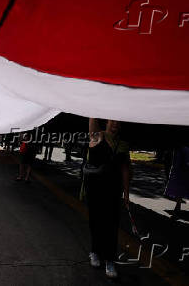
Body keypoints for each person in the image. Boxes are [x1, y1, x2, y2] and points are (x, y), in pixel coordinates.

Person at [84, 118, 130, 279]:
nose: (115, 124)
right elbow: (92, 128)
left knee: (111, 225)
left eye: (118, 122)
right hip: (95, 190)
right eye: (112, 121)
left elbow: (125, 170)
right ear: (106, 121)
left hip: (113, 191)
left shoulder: (123, 145)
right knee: (96, 222)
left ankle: (110, 260)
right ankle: (95, 252)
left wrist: (126, 193)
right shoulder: (98, 137)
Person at [164, 145, 189, 220]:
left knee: (180, 186)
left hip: (181, 167)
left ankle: (177, 209)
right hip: (181, 168)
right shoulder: (180, 149)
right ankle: (177, 209)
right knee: (180, 186)